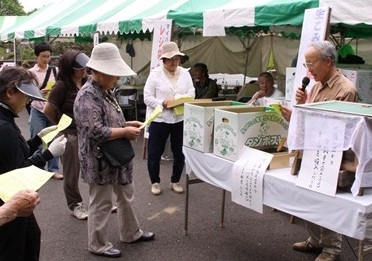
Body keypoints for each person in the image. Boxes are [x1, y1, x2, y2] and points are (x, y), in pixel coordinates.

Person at [74, 42, 155, 258]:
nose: (116, 78)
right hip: (99, 158)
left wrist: (127, 124)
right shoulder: (87, 95)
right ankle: (97, 244)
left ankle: (131, 233)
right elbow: (96, 131)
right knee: (102, 202)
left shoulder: (104, 90)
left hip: (116, 155)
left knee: (125, 195)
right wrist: (125, 131)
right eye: (113, 74)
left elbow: (109, 120)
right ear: (98, 72)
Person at [281, 40, 358, 261]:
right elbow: (312, 122)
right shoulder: (314, 86)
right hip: (312, 150)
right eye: (306, 64)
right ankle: (315, 241)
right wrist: (298, 111)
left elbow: (339, 129)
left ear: (328, 60)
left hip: (332, 156)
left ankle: (332, 248)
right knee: (309, 198)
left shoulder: (345, 89)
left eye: (311, 63)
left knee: (326, 200)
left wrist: (304, 115)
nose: (309, 70)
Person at [0, 66, 66, 261]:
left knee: (31, 237)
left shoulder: (6, 116)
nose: (28, 101)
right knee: (13, 249)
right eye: (25, 96)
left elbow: (16, 152)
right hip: (8, 197)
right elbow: (19, 171)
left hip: (12, 196)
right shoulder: (3, 126)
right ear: (10, 92)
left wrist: (38, 139)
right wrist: (47, 155)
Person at [144, 41, 195, 195]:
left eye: (176, 59)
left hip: (179, 118)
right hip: (160, 119)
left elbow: (192, 94)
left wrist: (177, 99)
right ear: (164, 60)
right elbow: (147, 97)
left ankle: (175, 180)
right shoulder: (155, 74)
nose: (174, 62)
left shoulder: (185, 73)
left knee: (179, 151)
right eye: (170, 59)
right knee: (155, 152)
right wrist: (163, 103)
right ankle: (155, 182)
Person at [44, 50, 90, 220]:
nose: (83, 70)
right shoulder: (62, 86)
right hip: (70, 135)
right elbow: (48, 110)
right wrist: (62, 125)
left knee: (93, 168)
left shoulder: (87, 82)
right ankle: (75, 205)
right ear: (69, 68)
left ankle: (99, 201)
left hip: (88, 133)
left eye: (85, 67)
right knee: (71, 173)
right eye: (79, 68)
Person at [29, 42, 63, 180]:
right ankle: (37, 168)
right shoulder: (30, 73)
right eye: (43, 56)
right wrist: (39, 92)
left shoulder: (55, 71)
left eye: (48, 56)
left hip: (52, 109)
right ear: (37, 56)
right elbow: (27, 93)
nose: (46, 59)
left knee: (53, 140)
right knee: (38, 140)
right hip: (37, 109)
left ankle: (53, 170)